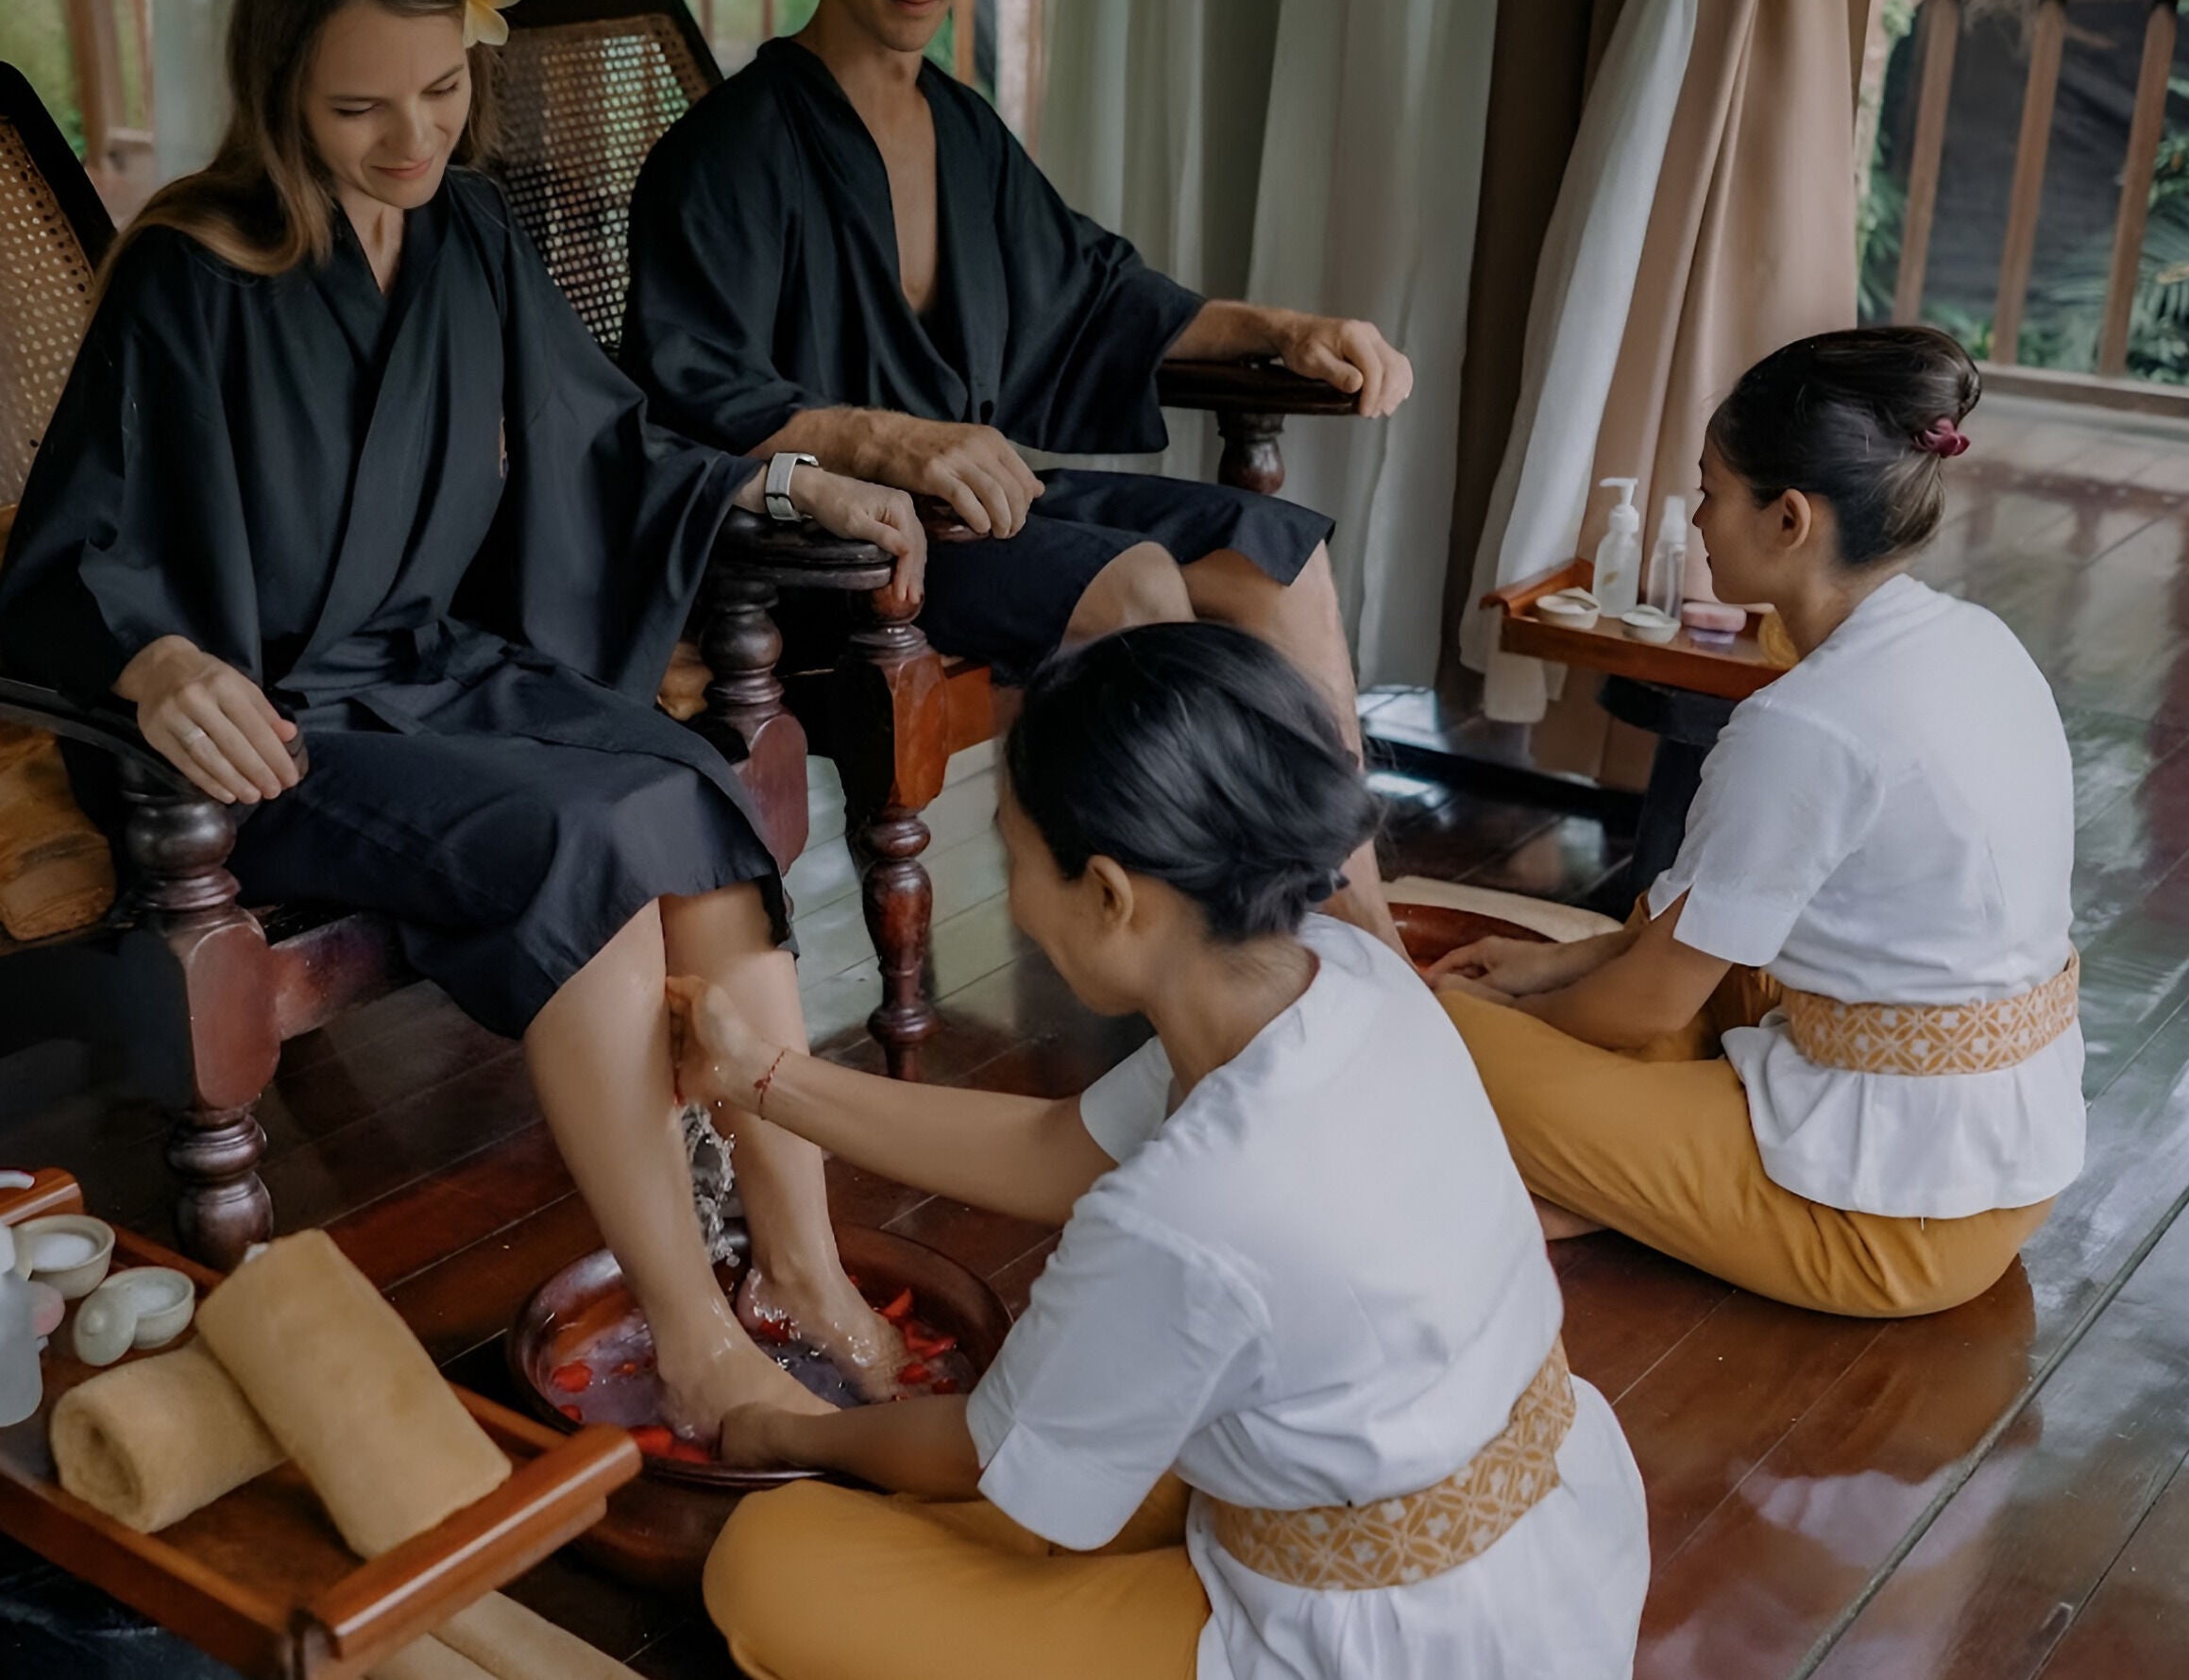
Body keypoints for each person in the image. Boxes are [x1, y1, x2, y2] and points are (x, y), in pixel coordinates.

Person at [0, 0, 934, 1436]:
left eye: (440, 91)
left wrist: (786, 478)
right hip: (280, 727)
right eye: (361, 106)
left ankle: (802, 1266)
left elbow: (609, 439)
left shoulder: (467, 234)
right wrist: (157, 665)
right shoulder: (190, 270)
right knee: (581, 834)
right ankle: (696, 1335)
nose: (413, 140)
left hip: (439, 669)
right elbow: (71, 547)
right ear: (278, 83)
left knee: (689, 791)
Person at [674, 622, 1647, 1680]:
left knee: (772, 1566)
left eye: (1011, 854)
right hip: (1549, 1548)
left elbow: (982, 1456)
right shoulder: (1343, 976)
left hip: (1382, 1642)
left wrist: (786, 1430)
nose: (1009, 894)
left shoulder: (1193, 1201)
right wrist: (759, 1075)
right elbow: (1057, 1147)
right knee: (1073, 1452)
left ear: (1108, 893)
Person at [622, 0, 1412, 949]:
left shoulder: (962, 126)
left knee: (1275, 560)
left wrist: (1280, 330)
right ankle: (1208, 955)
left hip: (981, 505)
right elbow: (693, 398)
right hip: (828, 548)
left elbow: (1096, 291)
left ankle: (1363, 932)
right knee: (1139, 583)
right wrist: (884, 437)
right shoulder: (731, 151)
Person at [1432, 328, 2079, 1319]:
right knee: (1680, 923)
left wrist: (1519, 1029)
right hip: (1997, 1157)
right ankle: (1599, 1175)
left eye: (1710, 491)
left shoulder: (1806, 722)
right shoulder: (1975, 640)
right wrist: (1553, 965)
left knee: (1422, 1030)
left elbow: (1650, 1002)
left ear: (1789, 519)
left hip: (1891, 1225)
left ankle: (1594, 1175)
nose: (1695, 519)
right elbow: (1706, 929)